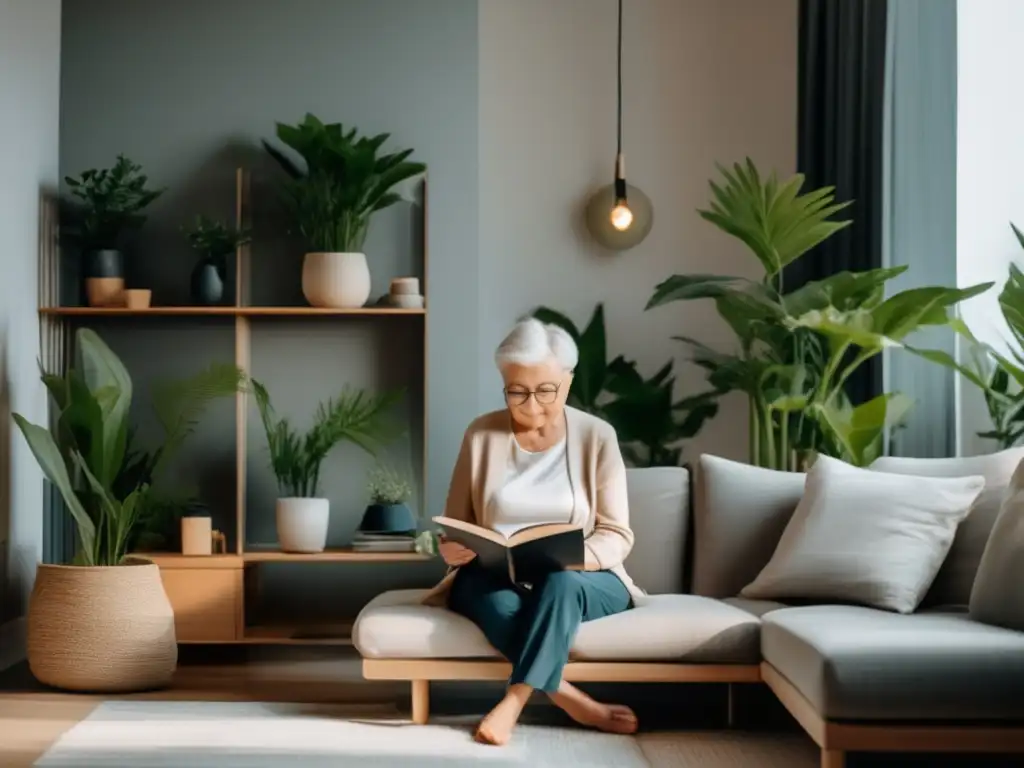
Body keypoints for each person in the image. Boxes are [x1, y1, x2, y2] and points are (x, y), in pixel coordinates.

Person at [428, 317, 646, 746]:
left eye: (545, 391)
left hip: (583, 578)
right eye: (517, 391)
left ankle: (513, 701)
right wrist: (452, 549)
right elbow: (456, 526)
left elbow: (617, 534)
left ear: (567, 381)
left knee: (558, 581)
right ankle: (567, 695)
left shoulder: (598, 437)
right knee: (473, 589)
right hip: (496, 574)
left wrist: (566, 556)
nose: (530, 405)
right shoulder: (481, 434)